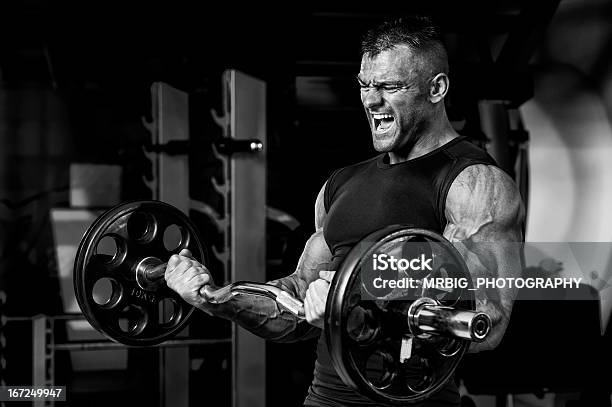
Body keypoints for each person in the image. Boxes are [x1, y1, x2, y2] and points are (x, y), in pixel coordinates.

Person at [165, 16, 524, 407]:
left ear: (436, 88)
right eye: (365, 85)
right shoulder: (340, 184)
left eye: (390, 86)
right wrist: (214, 298)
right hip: (325, 398)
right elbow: (299, 303)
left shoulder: (473, 184)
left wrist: (349, 310)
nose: (371, 100)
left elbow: (487, 324)